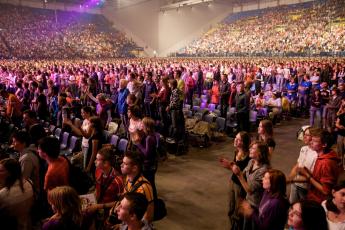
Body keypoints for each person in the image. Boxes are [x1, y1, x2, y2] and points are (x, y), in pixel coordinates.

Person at [230, 141, 270, 229]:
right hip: (247, 201)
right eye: (250, 147)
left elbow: (250, 190)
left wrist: (239, 174)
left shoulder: (263, 170)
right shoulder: (251, 162)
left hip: (255, 206)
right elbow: (243, 173)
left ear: (260, 152)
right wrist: (230, 166)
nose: (250, 149)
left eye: (253, 148)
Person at [299, 129, 341, 203]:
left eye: (314, 141)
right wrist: (308, 173)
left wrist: (308, 177)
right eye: (311, 139)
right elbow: (320, 179)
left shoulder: (326, 163)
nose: (310, 142)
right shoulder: (322, 157)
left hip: (319, 201)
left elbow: (326, 191)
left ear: (324, 144)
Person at [219, 131, 251, 230]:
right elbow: (235, 169)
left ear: (244, 143)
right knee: (231, 208)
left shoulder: (249, 157)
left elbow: (244, 174)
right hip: (232, 181)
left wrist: (233, 168)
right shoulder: (236, 151)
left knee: (237, 212)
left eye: (239, 139)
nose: (235, 140)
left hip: (240, 186)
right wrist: (229, 165)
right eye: (236, 138)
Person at [0, 158, 34, 230]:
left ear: (9, 173)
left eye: (1, 171)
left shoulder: (3, 195)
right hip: (27, 223)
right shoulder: (29, 182)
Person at [121, 151, 154, 222]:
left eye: (125, 164)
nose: (121, 165)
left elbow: (149, 214)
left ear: (134, 168)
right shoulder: (128, 177)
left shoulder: (144, 187)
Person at [287, 127, 318, 204]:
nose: (304, 136)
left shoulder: (316, 154)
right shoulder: (303, 148)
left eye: (307, 135)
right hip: (295, 184)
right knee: (292, 205)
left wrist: (291, 180)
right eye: (304, 134)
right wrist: (290, 177)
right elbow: (298, 165)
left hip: (306, 188)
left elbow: (312, 176)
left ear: (314, 137)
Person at [133, 117, 158, 199]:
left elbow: (147, 154)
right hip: (150, 164)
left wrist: (138, 144)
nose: (141, 125)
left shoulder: (149, 138)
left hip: (149, 165)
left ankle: (153, 201)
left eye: (142, 124)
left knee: (150, 184)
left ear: (146, 126)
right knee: (150, 183)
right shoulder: (148, 136)